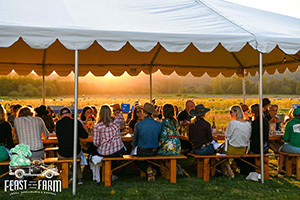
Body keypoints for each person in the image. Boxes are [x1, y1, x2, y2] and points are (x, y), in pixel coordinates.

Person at [56, 107, 88, 184]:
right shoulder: (76, 122)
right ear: (70, 114)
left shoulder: (58, 124)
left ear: (60, 116)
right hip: (75, 152)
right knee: (77, 155)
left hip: (63, 153)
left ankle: (70, 175)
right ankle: (79, 178)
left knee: (62, 156)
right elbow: (85, 136)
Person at [93, 105, 126, 180]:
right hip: (117, 149)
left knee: (99, 153)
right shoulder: (116, 121)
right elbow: (122, 118)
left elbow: (96, 143)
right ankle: (113, 172)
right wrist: (117, 112)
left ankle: (106, 172)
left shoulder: (98, 126)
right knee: (120, 152)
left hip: (104, 151)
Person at [131, 103, 161, 182]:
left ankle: (148, 169)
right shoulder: (158, 124)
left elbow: (135, 141)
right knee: (152, 158)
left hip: (142, 151)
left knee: (133, 158)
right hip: (155, 151)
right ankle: (151, 168)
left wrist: (132, 146)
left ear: (144, 112)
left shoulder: (138, 125)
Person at [219, 105, 251, 178]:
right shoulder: (248, 124)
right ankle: (232, 166)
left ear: (236, 112)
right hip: (242, 150)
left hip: (232, 149)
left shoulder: (232, 123)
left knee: (220, 151)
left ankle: (229, 169)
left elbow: (227, 136)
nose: (230, 114)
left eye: (231, 112)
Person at [278, 108, 300, 173]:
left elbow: (286, 138)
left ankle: (280, 168)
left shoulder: (290, 123)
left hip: (293, 147)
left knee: (280, 150)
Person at [0, 104, 14, 182]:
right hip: (1, 151)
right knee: (8, 157)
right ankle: (4, 178)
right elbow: (10, 142)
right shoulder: (6, 125)